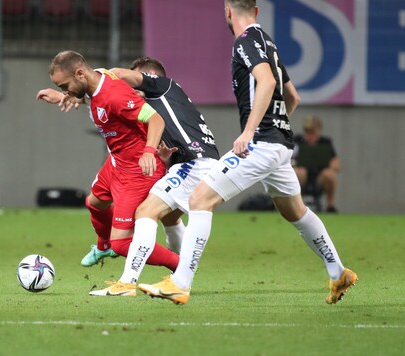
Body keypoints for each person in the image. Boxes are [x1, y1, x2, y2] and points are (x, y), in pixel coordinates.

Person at [138, 0, 357, 305]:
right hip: (279, 144)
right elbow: (292, 96)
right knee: (295, 211)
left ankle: (180, 283)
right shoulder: (268, 42)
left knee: (199, 199)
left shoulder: (247, 41)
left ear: (227, 11)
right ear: (256, 10)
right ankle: (338, 272)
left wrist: (252, 131)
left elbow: (266, 81)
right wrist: (277, 127)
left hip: (262, 143)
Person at [85, 58, 220, 296]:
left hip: (196, 164)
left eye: (134, 83)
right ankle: (181, 277)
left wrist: (87, 74)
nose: (129, 89)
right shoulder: (160, 101)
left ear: (150, 78)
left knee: (146, 213)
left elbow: (115, 73)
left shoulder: (161, 85)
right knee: (168, 217)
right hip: (188, 164)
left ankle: (130, 282)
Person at [37, 50, 180, 274]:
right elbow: (92, 97)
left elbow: (155, 119)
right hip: (117, 161)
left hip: (137, 170)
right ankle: (103, 247)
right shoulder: (97, 79)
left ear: (80, 73)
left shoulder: (115, 95)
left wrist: (148, 152)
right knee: (95, 203)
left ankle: (181, 266)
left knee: (121, 244)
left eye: (64, 86)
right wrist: (63, 97)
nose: (64, 91)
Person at [292, 115, 340, 212]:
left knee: (329, 175)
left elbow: (336, 163)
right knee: (299, 172)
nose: (310, 136)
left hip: (319, 179)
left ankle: (330, 206)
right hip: (302, 178)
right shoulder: (297, 141)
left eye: (313, 133)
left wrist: (330, 166)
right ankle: (300, 206)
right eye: (307, 132)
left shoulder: (325, 143)